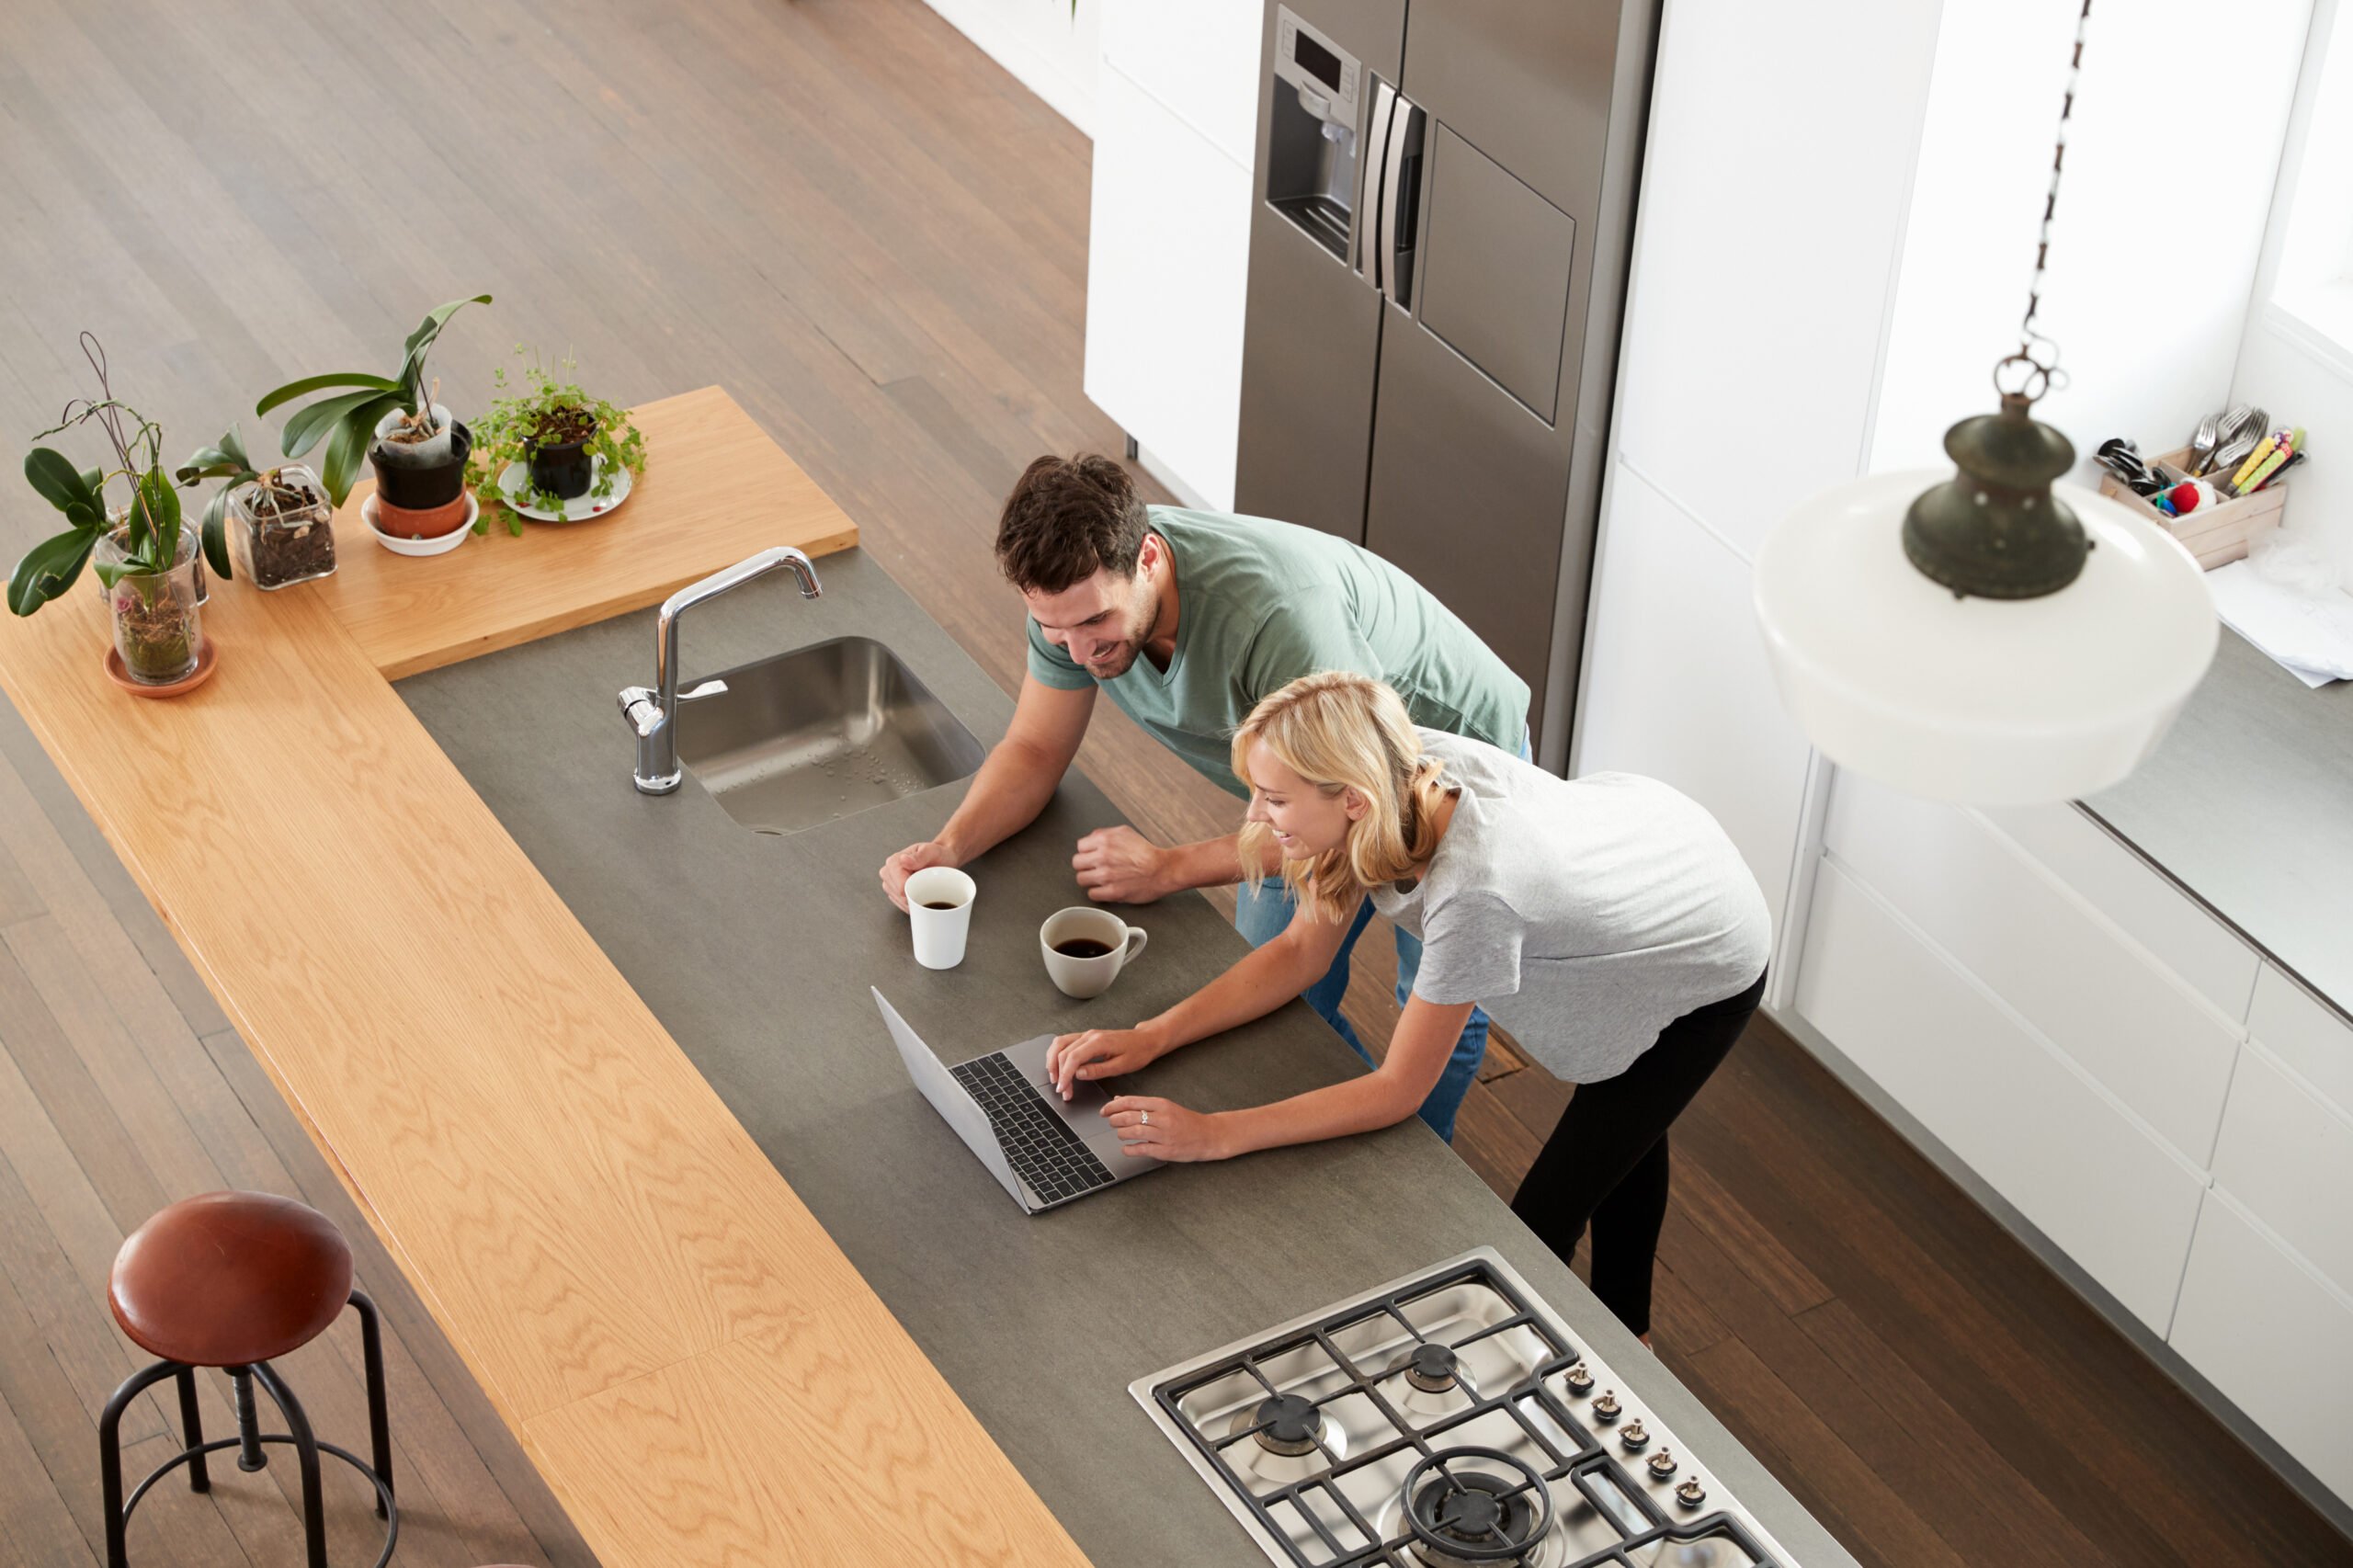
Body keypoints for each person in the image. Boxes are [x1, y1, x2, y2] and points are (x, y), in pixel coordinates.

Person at [1042, 672, 1772, 1342]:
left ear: (1349, 801)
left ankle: (1609, 1354)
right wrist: (1150, 1036)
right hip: (1639, 846)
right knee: (1625, 1109)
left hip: (1703, 940)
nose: (1257, 821)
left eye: (1275, 798)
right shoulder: (1386, 765)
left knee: (1541, 1224)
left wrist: (1215, 1134)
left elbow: (1397, 1090)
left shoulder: (1476, 891)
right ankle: (1631, 1330)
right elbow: (1302, 953)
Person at [878, 454, 1531, 1141]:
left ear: (1150, 559)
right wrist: (949, 849)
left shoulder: (1279, 622)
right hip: (1302, 796)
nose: (1074, 652)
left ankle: (1419, 1166)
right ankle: (1374, 1127)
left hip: (1433, 773)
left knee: (1429, 996)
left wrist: (1171, 868)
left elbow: (1354, 808)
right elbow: (1037, 750)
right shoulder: (1071, 608)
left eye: (1093, 623)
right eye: (1051, 628)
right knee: (1273, 986)